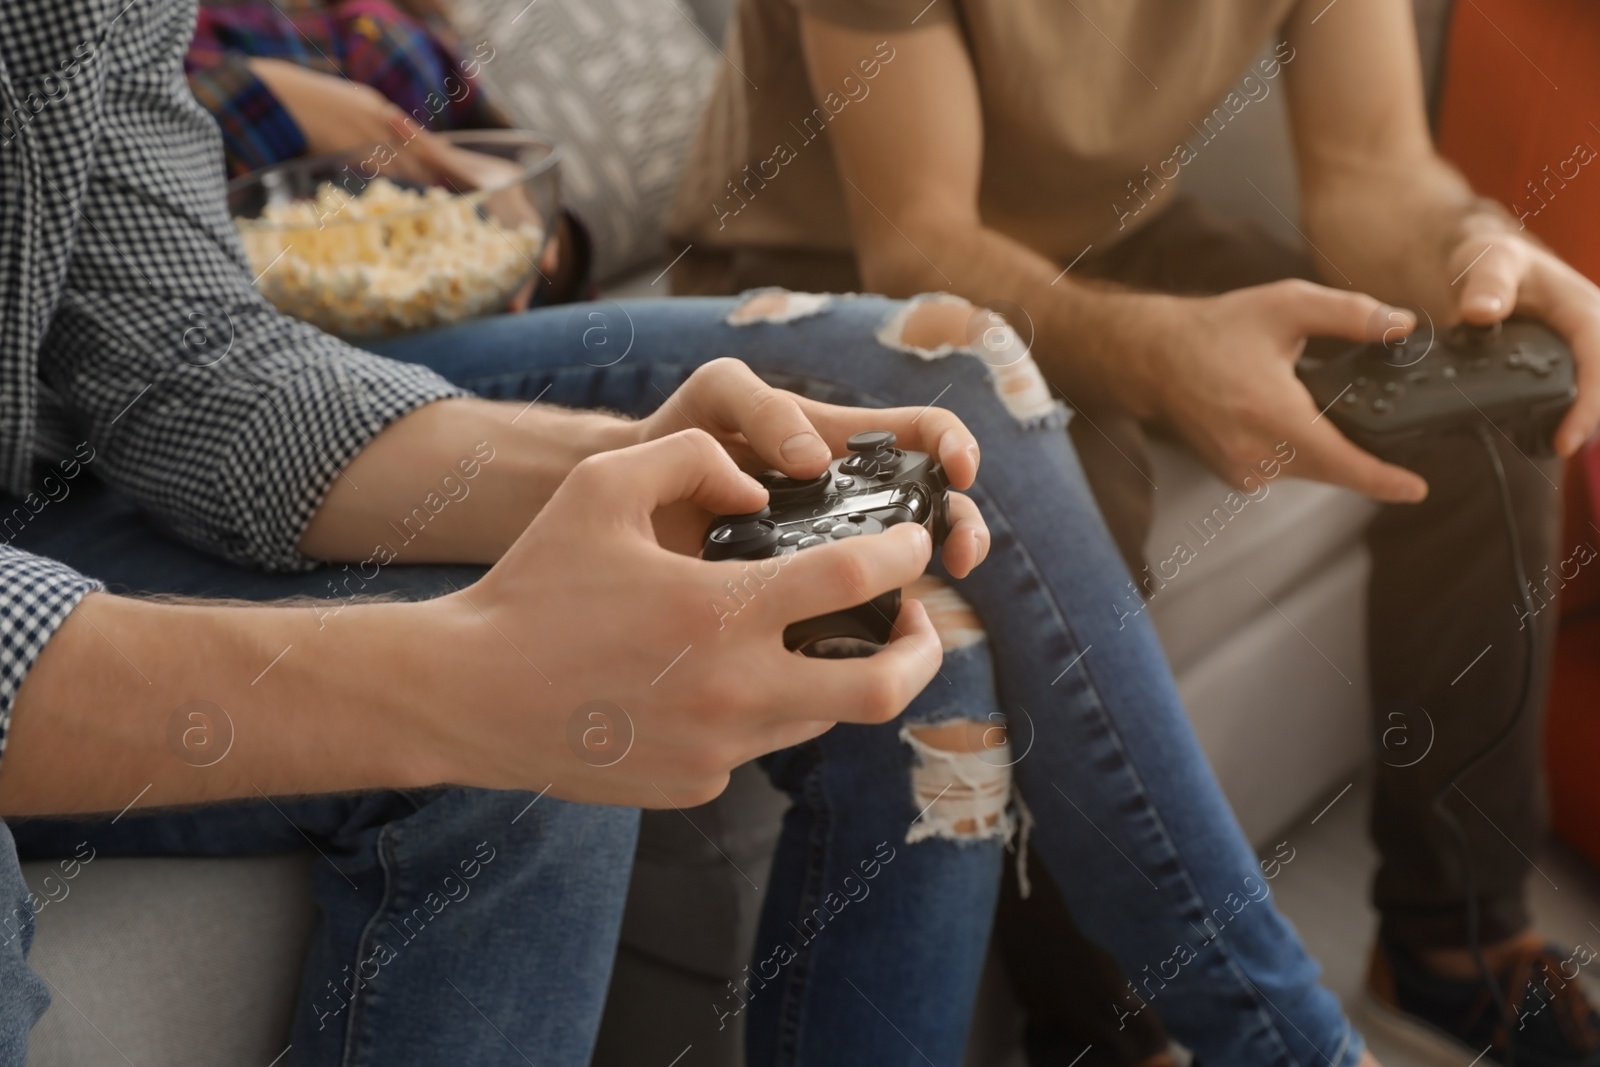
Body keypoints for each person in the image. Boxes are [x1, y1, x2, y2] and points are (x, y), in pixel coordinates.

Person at [3, 2, 1378, 1065]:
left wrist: (642, 469)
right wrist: (468, 675)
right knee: (541, 711)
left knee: (873, 602)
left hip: (153, 440)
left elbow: (180, 356)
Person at [666, 1, 1600, 1064]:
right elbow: (915, 238)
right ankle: (1113, 1033)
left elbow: (1372, 169)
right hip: (826, 278)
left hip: (1113, 239)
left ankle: (1454, 948)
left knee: (1485, 395)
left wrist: (1474, 247)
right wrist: (1160, 354)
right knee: (1052, 510)